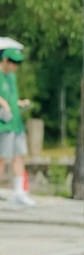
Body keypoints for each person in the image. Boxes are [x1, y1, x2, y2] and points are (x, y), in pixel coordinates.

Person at [0, 47, 33, 206]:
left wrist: (20, 103)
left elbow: (13, 98)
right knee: (1, 158)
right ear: (5, 60)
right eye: (13, 62)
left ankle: (19, 191)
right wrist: (3, 103)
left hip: (16, 123)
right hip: (3, 124)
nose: (15, 67)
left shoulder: (12, 78)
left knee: (19, 156)